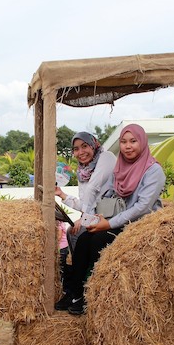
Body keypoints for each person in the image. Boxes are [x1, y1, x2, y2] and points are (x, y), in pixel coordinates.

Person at [61, 124, 166, 315]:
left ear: (142, 142)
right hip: (118, 222)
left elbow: (142, 207)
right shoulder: (120, 167)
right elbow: (106, 195)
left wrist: (108, 223)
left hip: (142, 225)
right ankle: (77, 294)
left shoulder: (153, 171)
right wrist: (91, 220)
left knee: (98, 241)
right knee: (84, 238)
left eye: (133, 141)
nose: (128, 146)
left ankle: (96, 293)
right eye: (124, 142)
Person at [54, 132, 115, 310]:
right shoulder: (84, 170)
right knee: (71, 233)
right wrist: (62, 195)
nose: (81, 152)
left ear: (94, 145)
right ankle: (73, 290)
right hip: (96, 215)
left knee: (78, 234)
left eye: (84, 146)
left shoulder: (106, 157)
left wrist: (84, 218)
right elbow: (85, 201)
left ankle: (78, 292)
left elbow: (94, 189)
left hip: (109, 216)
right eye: (76, 149)